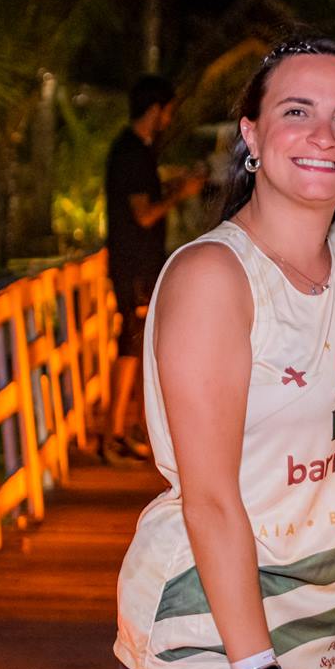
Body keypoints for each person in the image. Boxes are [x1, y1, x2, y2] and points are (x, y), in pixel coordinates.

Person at [114, 38, 335, 669]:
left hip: (327, 652)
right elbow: (210, 498)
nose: (324, 134)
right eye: (297, 111)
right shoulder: (215, 276)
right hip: (214, 653)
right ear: (252, 136)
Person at [103, 75, 205, 462]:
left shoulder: (139, 150)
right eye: (168, 110)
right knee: (131, 342)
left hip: (139, 263)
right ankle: (112, 435)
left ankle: (126, 429)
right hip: (134, 264)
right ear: (155, 109)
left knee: (136, 342)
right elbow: (144, 215)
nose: (169, 118)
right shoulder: (132, 152)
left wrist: (173, 186)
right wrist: (181, 194)